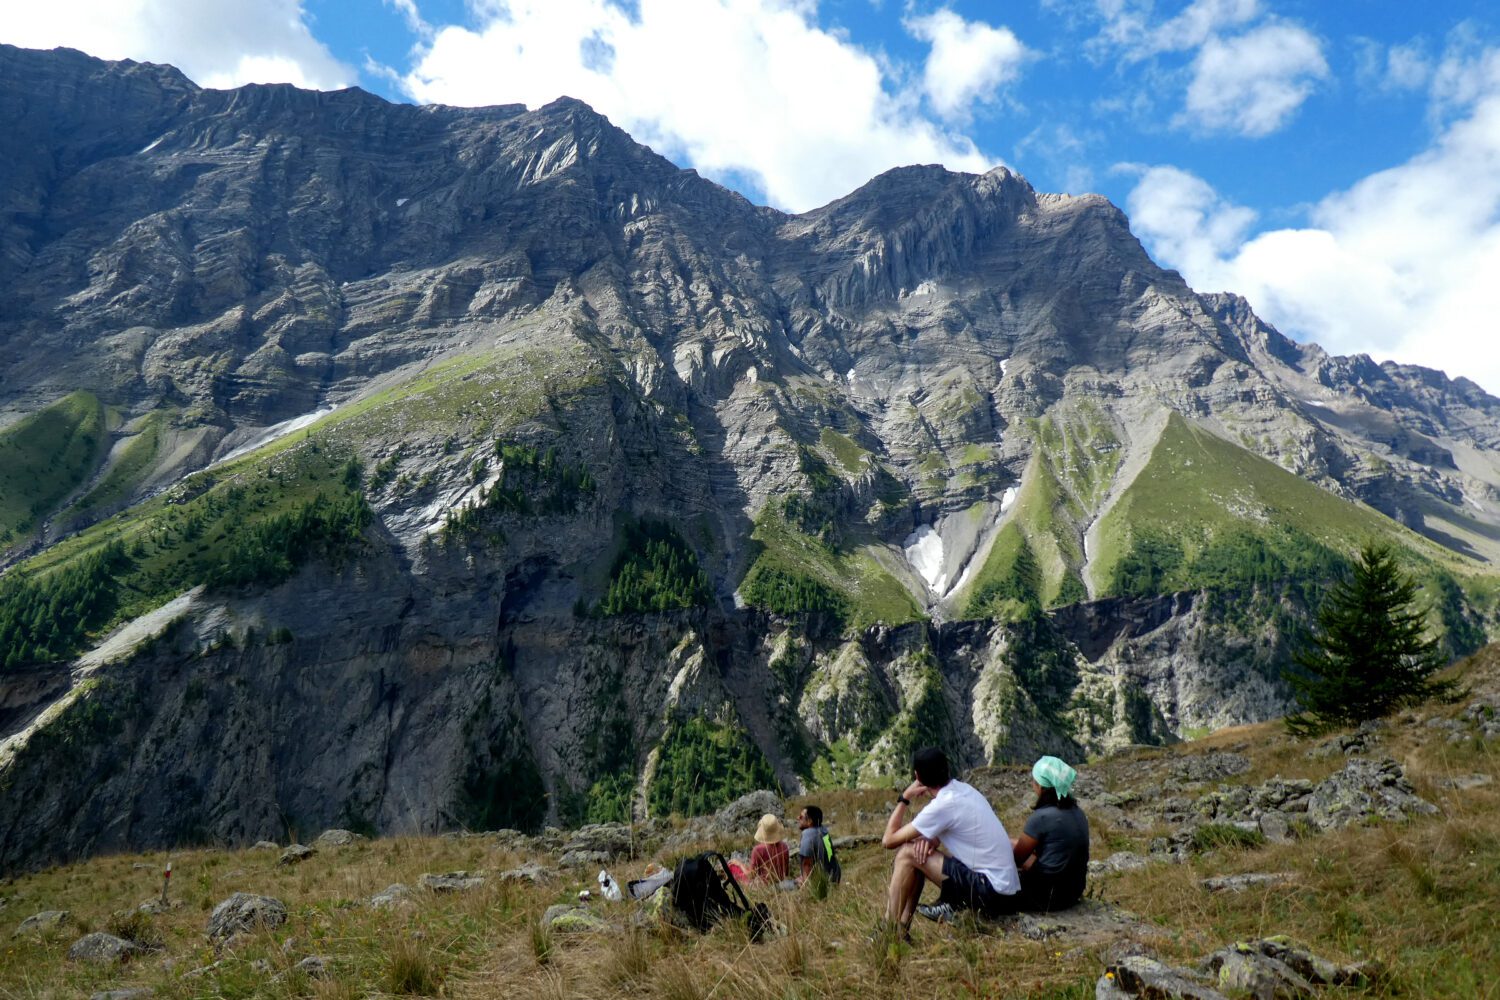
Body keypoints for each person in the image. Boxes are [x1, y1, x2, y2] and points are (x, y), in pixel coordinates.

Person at [880, 747, 1020, 936]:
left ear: (917, 777)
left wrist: (904, 798)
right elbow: (959, 826)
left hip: (990, 891)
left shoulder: (942, 805)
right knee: (918, 853)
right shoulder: (964, 790)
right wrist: (930, 839)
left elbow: (888, 840)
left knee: (907, 853)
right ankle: (901, 929)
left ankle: (888, 930)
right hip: (1006, 889)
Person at [1011, 755, 1090, 912]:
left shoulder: (1041, 817)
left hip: (1045, 896)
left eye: (1034, 781)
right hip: (1073, 893)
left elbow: (1017, 859)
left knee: (1009, 844)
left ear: (1040, 786)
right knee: (1015, 842)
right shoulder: (1078, 812)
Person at [795, 804, 841, 885]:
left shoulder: (808, 835)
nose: (797, 818)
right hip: (834, 876)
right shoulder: (824, 830)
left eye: (801, 817)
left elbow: (807, 864)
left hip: (820, 884)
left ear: (810, 821)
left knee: (780, 886)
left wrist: (805, 883)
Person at [749, 813, 790, 883]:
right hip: (781, 883)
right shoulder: (785, 847)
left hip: (764, 886)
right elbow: (786, 872)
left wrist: (739, 864)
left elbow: (752, 875)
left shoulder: (757, 850)